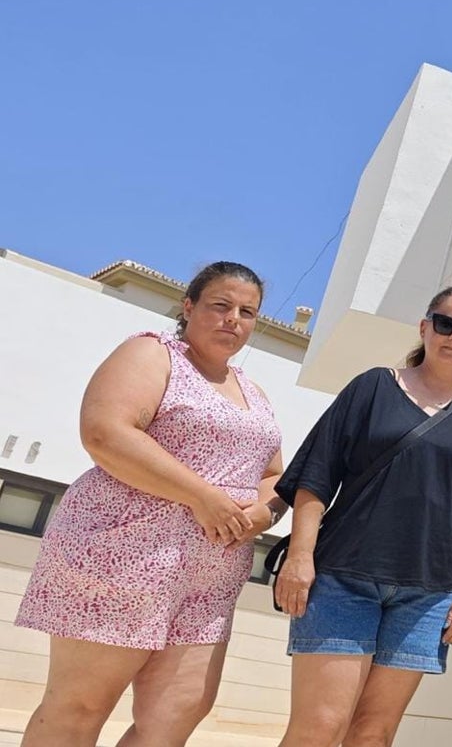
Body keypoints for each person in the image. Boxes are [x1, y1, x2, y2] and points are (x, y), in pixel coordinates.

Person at [16, 261, 285, 747]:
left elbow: (272, 473)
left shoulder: (254, 392)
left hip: (211, 577)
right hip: (123, 554)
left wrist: (265, 511)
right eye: (220, 306)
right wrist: (202, 496)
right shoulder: (151, 353)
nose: (234, 320)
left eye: (247, 312)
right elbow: (106, 432)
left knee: (178, 714)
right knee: (80, 705)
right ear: (189, 307)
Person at [271, 285, 452, 747]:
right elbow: (316, 476)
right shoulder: (373, 386)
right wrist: (300, 556)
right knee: (319, 728)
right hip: (344, 579)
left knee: (373, 735)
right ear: (425, 327)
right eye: (445, 323)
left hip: (426, 597)